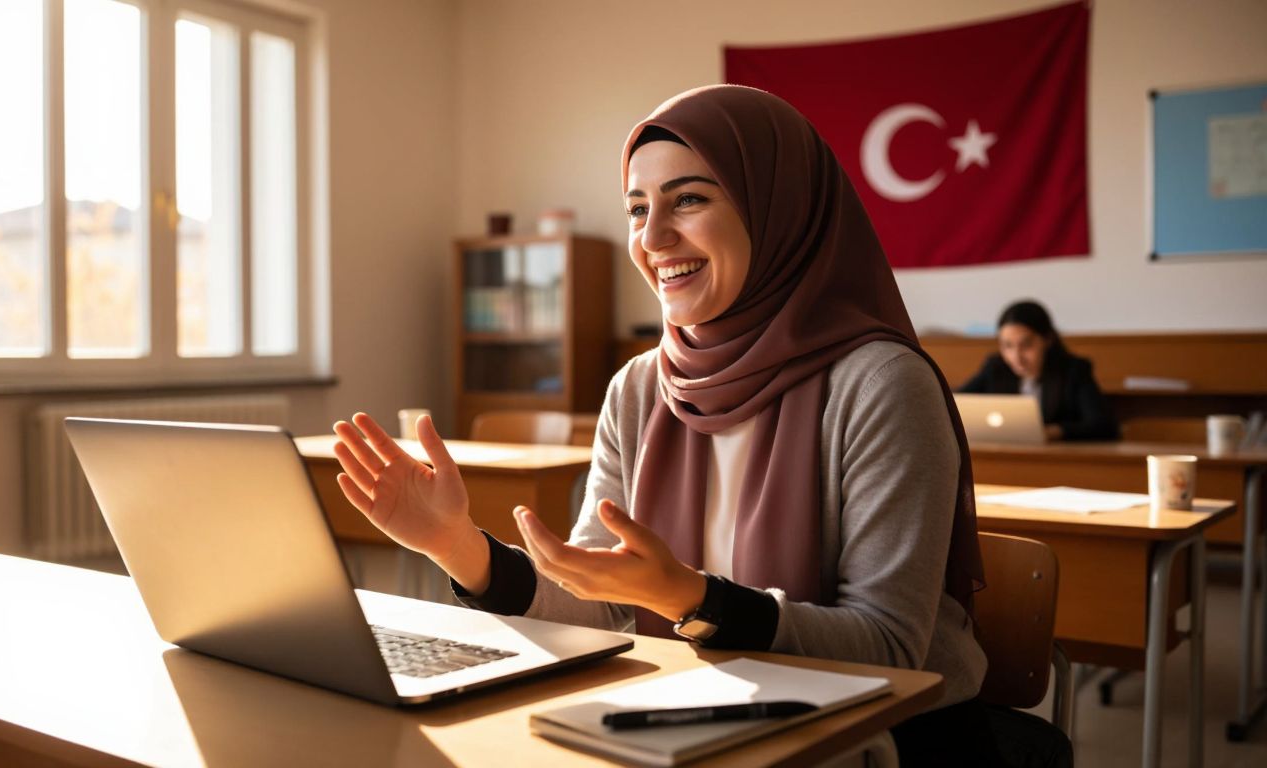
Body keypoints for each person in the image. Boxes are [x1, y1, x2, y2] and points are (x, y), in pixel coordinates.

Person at [333, 85, 1007, 766]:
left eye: (688, 199)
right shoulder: (639, 387)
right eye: (636, 208)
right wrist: (457, 546)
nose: (652, 239)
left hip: (895, 731)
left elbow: (890, 649)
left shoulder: (881, 383)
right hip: (703, 710)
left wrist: (688, 597)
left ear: (779, 209)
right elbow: (597, 604)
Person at [959, 300, 1119, 441]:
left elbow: (1103, 425)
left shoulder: (1074, 370)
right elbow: (955, 401)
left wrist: (1052, 432)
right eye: (1007, 346)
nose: (1016, 357)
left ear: (1047, 340)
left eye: (1026, 345)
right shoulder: (995, 368)